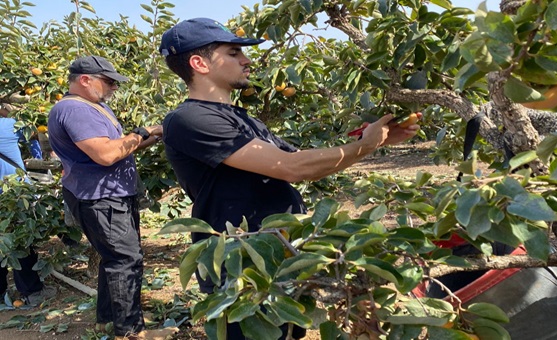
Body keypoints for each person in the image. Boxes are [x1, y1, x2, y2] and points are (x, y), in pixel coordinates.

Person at [159, 17, 420, 339]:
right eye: (234, 53)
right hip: (240, 259)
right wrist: (364, 145)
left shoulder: (242, 118)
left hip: (280, 248)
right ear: (199, 63)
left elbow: (304, 162)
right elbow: (292, 167)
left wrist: (369, 143)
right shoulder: (189, 119)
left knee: (288, 331)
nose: (247, 60)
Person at [47, 55, 177, 340]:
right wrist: (141, 132)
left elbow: (117, 149)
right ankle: (129, 332)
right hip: (101, 199)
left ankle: (109, 319)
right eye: (108, 82)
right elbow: (106, 155)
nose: (113, 88)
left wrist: (151, 136)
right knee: (125, 260)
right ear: (85, 80)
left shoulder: (95, 108)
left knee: (113, 259)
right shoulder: (74, 109)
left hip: (110, 195)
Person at [0, 105, 57, 307]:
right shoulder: (9, 125)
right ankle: (31, 292)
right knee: (21, 241)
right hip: (14, 194)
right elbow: (36, 132)